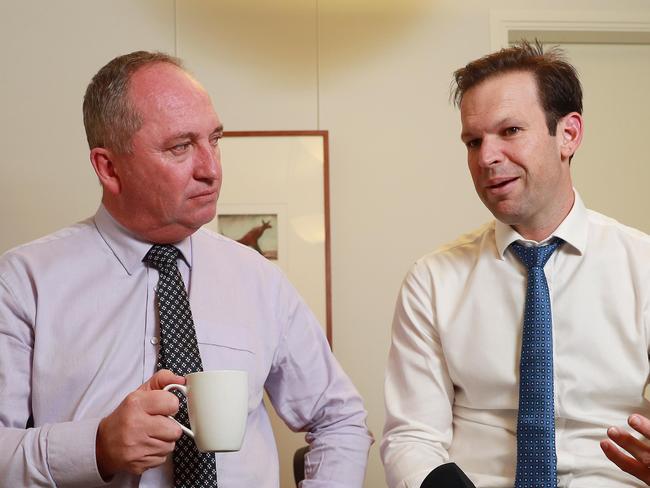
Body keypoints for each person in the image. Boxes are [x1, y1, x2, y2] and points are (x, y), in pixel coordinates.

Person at [0, 51, 372, 487]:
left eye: (214, 140)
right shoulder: (25, 281)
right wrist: (96, 446)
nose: (211, 170)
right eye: (180, 147)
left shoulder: (258, 279)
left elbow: (340, 419)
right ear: (109, 167)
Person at [381, 41, 650, 487]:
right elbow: (412, 437)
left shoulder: (643, 267)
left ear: (568, 135)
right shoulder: (432, 280)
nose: (486, 157)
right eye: (473, 141)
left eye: (509, 132)